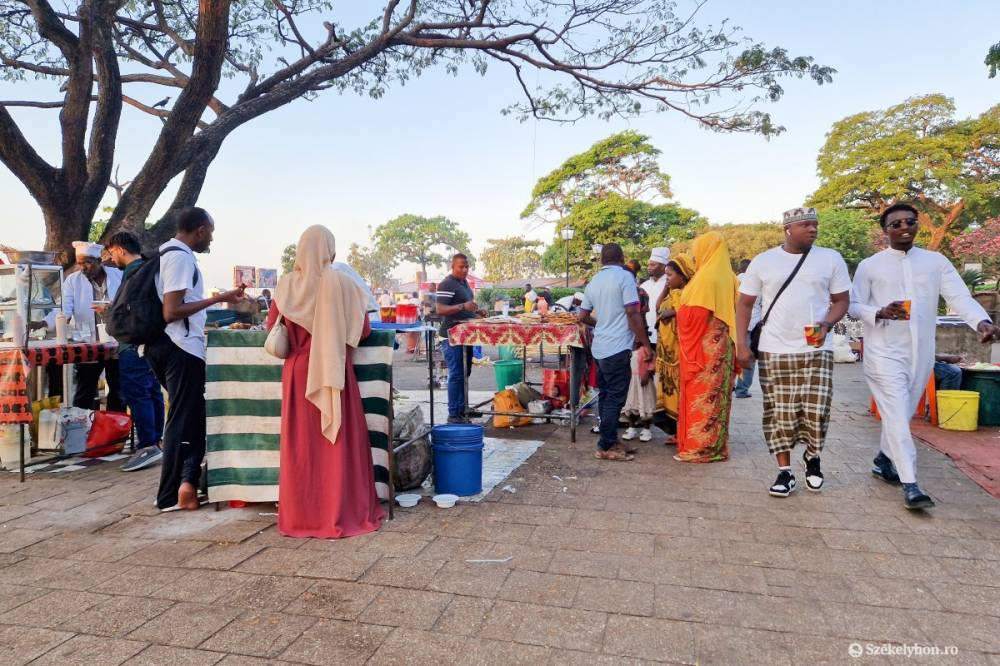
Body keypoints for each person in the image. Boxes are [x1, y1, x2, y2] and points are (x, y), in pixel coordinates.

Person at [850, 202, 999, 509]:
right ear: (885, 231)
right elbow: (853, 305)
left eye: (910, 221)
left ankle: (882, 460)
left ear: (917, 224)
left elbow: (958, 297)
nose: (904, 227)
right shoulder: (870, 265)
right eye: (896, 224)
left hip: (921, 353)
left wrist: (981, 322)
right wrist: (878, 311)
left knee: (900, 414)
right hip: (883, 352)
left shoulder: (935, 262)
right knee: (895, 412)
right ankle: (911, 483)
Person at [267, 225, 385, 538]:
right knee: (337, 447)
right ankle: (341, 512)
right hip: (333, 369)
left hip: (298, 374)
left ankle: (302, 516)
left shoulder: (286, 287)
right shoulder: (343, 284)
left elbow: (271, 330)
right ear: (329, 250)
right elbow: (363, 332)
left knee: (302, 448)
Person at [737, 208, 851, 496]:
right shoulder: (764, 261)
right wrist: (741, 342)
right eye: (805, 225)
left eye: (815, 224)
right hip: (774, 347)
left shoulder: (830, 258)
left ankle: (813, 458)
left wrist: (827, 323)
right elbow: (745, 304)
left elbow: (841, 300)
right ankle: (784, 472)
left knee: (818, 409)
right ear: (787, 229)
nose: (813, 229)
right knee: (780, 412)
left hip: (816, 346)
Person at [144, 207, 246, 511]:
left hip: (173, 346)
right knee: (180, 420)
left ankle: (187, 484)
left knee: (192, 417)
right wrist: (219, 298)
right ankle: (169, 495)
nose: (211, 239)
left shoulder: (169, 254)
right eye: (210, 232)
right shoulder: (178, 256)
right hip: (179, 348)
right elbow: (171, 311)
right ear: (200, 230)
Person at [579, 243, 653, 461]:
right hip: (618, 347)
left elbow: (582, 317)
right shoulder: (624, 278)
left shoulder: (594, 281)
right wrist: (646, 344)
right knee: (614, 399)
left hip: (601, 348)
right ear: (621, 258)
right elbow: (632, 311)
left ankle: (609, 439)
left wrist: (601, 324)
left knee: (605, 396)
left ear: (602, 260)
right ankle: (605, 446)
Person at [103, 232, 165, 472]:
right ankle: (156, 440)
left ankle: (148, 444)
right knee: (151, 391)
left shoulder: (134, 273)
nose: (111, 258)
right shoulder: (149, 268)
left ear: (119, 249)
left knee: (138, 392)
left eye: (111, 253)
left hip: (133, 344)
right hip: (149, 342)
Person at [674, 232, 737, 464]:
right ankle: (717, 448)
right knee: (718, 399)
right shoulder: (729, 277)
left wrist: (677, 308)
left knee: (699, 398)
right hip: (724, 348)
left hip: (704, 352)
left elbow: (694, 317)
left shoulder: (704, 279)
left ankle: (698, 450)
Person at [58, 241, 125, 411]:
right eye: (80, 263)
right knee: (85, 390)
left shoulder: (118, 275)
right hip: (88, 343)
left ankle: (115, 431)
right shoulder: (73, 281)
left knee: (118, 390)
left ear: (99, 261)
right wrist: (48, 323)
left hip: (117, 343)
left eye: (87, 262)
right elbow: (64, 309)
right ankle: (82, 430)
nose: (83, 267)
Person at [437, 254, 486, 423]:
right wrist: (463, 306)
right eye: (461, 267)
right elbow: (440, 309)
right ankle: (453, 413)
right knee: (456, 373)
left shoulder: (463, 283)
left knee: (465, 372)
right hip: (451, 336)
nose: (465, 270)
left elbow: (465, 307)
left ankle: (462, 407)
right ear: (453, 266)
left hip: (465, 335)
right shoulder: (447, 283)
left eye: (467, 267)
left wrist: (475, 312)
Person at [654, 254, 695, 446]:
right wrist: (666, 286)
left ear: (683, 275)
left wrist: (673, 311)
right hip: (666, 354)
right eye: (666, 275)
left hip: (679, 354)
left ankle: (683, 433)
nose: (667, 279)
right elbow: (657, 308)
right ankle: (677, 433)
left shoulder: (688, 294)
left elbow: (690, 314)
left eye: (670, 275)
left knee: (680, 395)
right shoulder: (672, 293)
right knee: (670, 394)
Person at [621, 261, 657, 442]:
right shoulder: (638, 292)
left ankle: (645, 427)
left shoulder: (639, 293)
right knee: (630, 391)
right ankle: (632, 426)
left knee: (643, 387)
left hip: (636, 343)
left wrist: (643, 342)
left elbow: (638, 318)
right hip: (628, 343)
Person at [733, 258, 762, 398]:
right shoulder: (757, 282)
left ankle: (729, 385)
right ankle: (742, 389)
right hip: (751, 323)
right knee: (747, 357)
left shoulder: (733, 279)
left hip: (733, 323)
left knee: (731, 356)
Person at [641, 247, 670, 344]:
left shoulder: (670, 285)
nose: (649, 267)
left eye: (653, 265)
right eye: (648, 264)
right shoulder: (644, 286)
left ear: (663, 266)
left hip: (664, 337)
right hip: (645, 338)